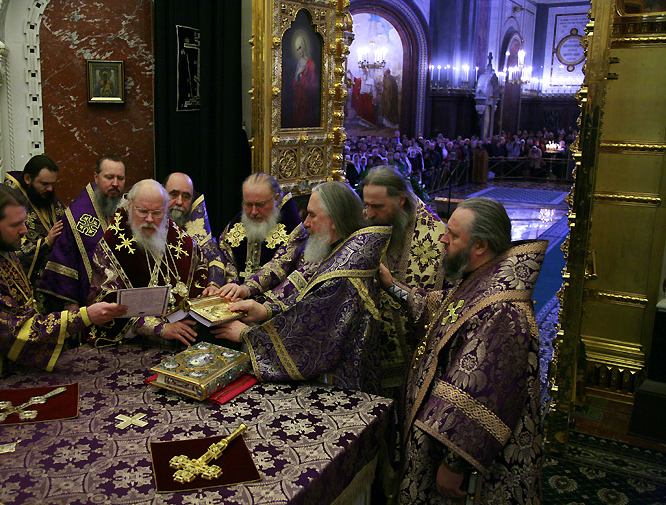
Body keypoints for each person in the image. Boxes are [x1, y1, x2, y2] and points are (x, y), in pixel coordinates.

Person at [385, 197, 545, 503]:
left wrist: (454, 464)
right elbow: (439, 310)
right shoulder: (482, 278)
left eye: (453, 235)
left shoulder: (502, 310)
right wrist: (391, 284)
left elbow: (480, 394)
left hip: (465, 461)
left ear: (480, 246)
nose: (443, 239)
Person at [212, 181, 391, 394]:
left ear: (334, 220)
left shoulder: (343, 272)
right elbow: (306, 300)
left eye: (312, 215)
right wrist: (265, 310)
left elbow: (307, 338)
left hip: (337, 387)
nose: (305, 223)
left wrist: (247, 335)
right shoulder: (338, 251)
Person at [0, 183, 126, 379]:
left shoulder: (3, 253)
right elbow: (17, 333)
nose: (24, 230)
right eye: (15, 225)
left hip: (15, 369)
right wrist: (85, 316)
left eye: (24, 222)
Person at [86, 179, 210, 348]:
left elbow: (200, 266)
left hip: (180, 334)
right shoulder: (111, 246)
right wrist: (158, 328)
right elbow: (106, 303)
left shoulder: (178, 237)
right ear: (130, 205)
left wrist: (210, 287)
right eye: (143, 211)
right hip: (130, 342)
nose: (150, 219)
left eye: (157, 213)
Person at [361, 166, 446, 397]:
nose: (369, 213)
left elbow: (443, 304)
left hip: (415, 362)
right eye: (367, 204)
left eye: (377, 206)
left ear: (401, 200)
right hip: (371, 356)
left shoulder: (440, 240)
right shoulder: (367, 220)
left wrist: (393, 287)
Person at [37, 155, 126, 311]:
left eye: (120, 178)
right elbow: (65, 261)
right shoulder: (76, 215)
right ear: (96, 177)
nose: (115, 183)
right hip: (90, 308)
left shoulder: (129, 209)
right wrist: (74, 313)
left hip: (127, 303)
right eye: (109, 177)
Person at [213, 173, 302, 295]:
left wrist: (246, 289)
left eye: (260, 204)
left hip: (273, 299)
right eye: (248, 204)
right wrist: (233, 285)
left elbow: (278, 266)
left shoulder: (293, 229)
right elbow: (226, 255)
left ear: (276, 199)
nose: (254, 212)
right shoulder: (234, 226)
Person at [3, 155, 65, 286]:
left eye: (53, 184)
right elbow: (8, 248)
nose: (50, 189)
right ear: (27, 179)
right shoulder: (9, 202)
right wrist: (46, 242)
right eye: (44, 184)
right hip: (27, 284)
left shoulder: (46, 197)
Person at [163, 172, 225, 287]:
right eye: (174, 194)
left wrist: (213, 285)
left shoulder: (197, 229)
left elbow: (215, 258)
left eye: (186, 197)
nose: (179, 202)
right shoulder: (150, 224)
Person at [289, 32, 319, 127]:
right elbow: (294, 83)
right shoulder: (299, 63)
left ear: (304, 46)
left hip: (307, 100)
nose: (299, 51)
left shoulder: (311, 63)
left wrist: (301, 75)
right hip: (298, 98)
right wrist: (298, 75)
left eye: (300, 48)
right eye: (297, 49)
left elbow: (312, 86)